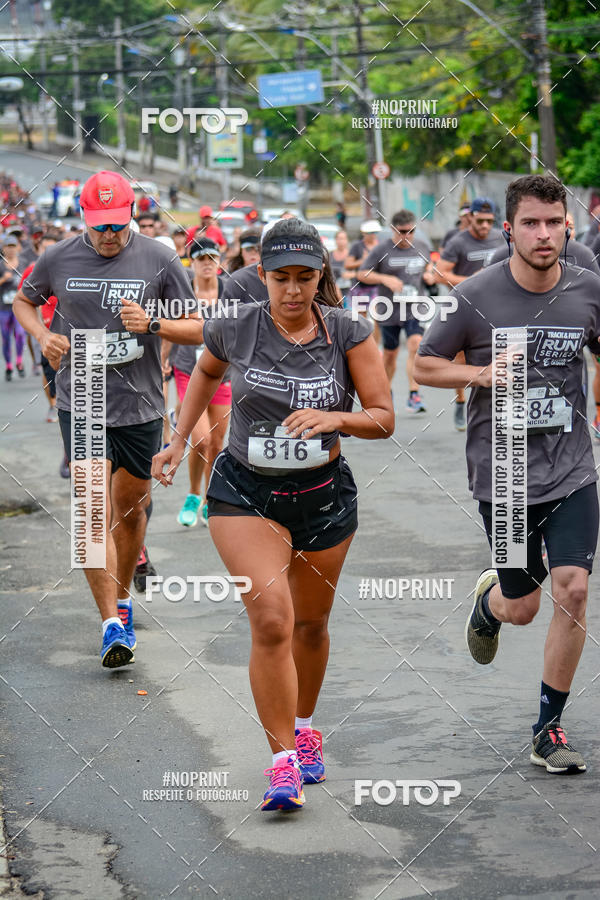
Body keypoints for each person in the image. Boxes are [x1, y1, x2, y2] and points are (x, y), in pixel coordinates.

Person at [152, 218, 394, 810]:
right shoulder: (236, 326)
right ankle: (282, 762)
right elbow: (206, 371)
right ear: (261, 275)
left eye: (304, 278)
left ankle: (305, 729)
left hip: (323, 495)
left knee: (311, 625)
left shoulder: (348, 331)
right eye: (280, 277)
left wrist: (337, 418)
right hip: (245, 494)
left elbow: (384, 417)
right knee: (273, 620)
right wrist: (179, 438)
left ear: (321, 277)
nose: (291, 290)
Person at [414, 173, 600, 775]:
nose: (543, 234)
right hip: (506, 475)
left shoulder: (588, 289)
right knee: (522, 607)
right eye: (531, 223)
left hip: (573, 468)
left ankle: (549, 729)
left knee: (572, 587)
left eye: (553, 222)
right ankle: (489, 605)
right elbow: (424, 365)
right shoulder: (474, 295)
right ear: (509, 229)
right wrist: (481, 376)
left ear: (566, 225)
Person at [13, 170, 201, 669]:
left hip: (140, 403)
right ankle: (110, 623)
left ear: (132, 217)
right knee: (92, 513)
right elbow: (23, 301)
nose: (110, 235)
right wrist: (41, 335)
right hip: (85, 396)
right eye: (100, 227)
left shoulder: (160, 258)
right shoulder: (57, 257)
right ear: (83, 219)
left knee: (131, 509)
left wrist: (154, 323)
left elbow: (200, 328)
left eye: (118, 225)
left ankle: (122, 598)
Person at [166, 238, 231, 527]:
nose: (207, 263)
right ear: (191, 263)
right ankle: (193, 493)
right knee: (201, 439)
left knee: (217, 443)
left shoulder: (230, 291)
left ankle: (208, 498)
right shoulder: (183, 291)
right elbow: (170, 327)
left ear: (219, 261)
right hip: (188, 371)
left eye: (212, 257)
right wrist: (162, 361)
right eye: (201, 258)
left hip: (224, 373)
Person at [429, 197, 504, 432]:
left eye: (489, 221)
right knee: (460, 359)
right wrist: (473, 281)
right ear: (469, 217)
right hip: (464, 306)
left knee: (499, 353)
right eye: (480, 220)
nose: (484, 226)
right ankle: (462, 402)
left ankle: (498, 404)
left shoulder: (500, 237)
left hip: (497, 304)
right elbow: (439, 274)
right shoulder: (458, 242)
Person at [358, 209, 430, 411]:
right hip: (389, 310)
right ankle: (384, 391)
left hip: (416, 308)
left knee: (415, 345)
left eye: (411, 231)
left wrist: (430, 275)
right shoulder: (381, 250)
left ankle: (414, 394)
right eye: (402, 232)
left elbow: (430, 268)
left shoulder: (422, 246)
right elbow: (362, 273)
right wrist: (384, 278)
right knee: (390, 354)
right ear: (393, 230)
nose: (407, 236)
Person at [0, 234, 26, 380]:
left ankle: (19, 361)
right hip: (3, 307)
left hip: (20, 306)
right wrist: (3, 279)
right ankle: (9, 365)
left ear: (17, 248)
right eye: (7, 247)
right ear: (3, 249)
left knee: (20, 334)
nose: (10, 250)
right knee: (5, 337)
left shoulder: (23, 263)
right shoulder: (0, 265)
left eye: (13, 246)